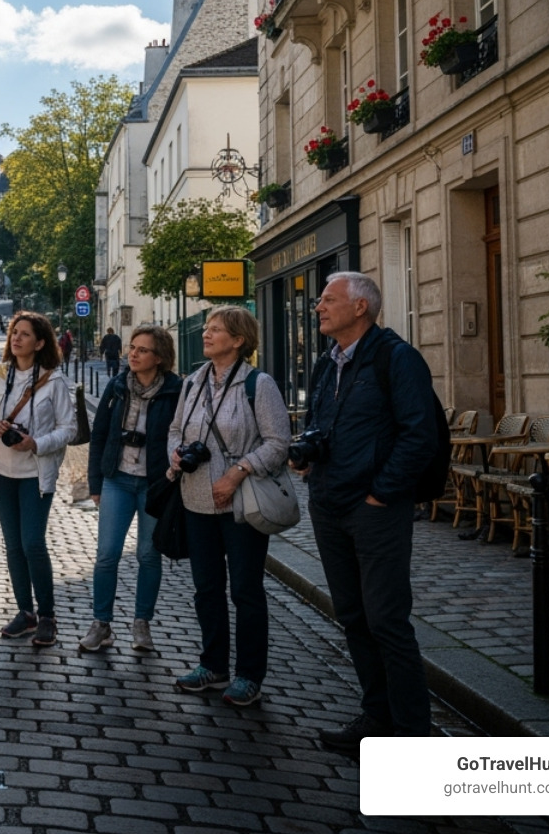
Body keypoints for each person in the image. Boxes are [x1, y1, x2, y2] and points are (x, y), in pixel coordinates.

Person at [296, 272, 435, 749]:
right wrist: (309, 459)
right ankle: (376, 718)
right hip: (328, 503)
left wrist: (381, 494)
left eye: (328, 299)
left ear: (360, 308)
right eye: (319, 300)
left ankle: (415, 737)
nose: (319, 307)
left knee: (386, 621)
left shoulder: (397, 358)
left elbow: (420, 436)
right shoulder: (326, 363)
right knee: (353, 616)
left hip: (374, 509)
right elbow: (321, 421)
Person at [166, 305, 289, 708]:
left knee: (246, 590)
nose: (205, 334)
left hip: (241, 504)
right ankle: (212, 666)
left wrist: (236, 473)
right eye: (205, 328)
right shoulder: (193, 382)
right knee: (206, 589)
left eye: (215, 329)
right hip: (197, 499)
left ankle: (250, 675)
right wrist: (176, 455)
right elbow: (175, 429)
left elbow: (277, 443)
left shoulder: (259, 384)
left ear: (237, 339)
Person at [0, 311, 75, 646]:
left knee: (32, 543)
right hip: (1, 473)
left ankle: (47, 615)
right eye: (14, 332)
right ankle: (25, 612)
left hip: (35, 475)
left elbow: (68, 429)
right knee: (14, 546)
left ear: (40, 342)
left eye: (25, 334)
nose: (16, 338)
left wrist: (37, 443)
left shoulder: (54, 381)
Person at [81, 326, 182, 654]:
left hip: (155, 484)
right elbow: (98, 436)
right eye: (132, 348)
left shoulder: (176, 391)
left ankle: (142, 624)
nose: (133, 354)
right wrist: (95, 482)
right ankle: (102, 624)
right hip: (117, 478)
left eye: (142, 350)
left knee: (148, 555)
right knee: (107, 554)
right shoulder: (116, 385)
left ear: (160, 357)